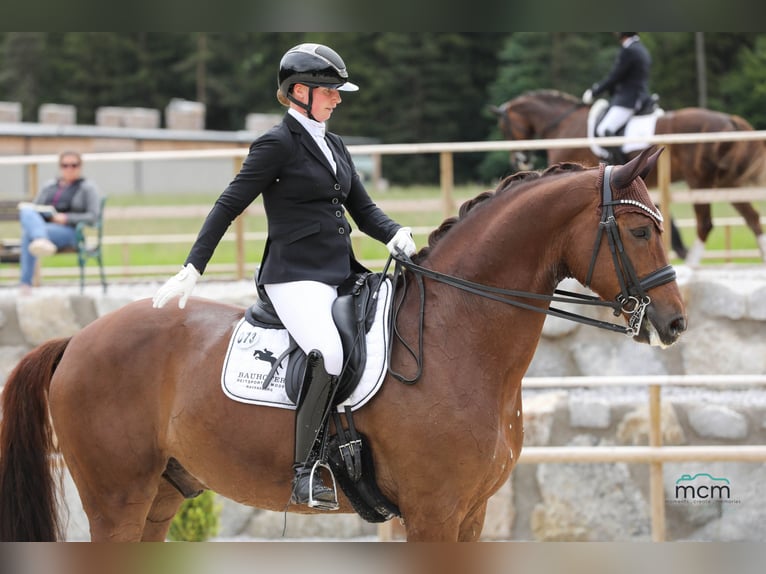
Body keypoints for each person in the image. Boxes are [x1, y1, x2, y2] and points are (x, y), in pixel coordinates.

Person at [152, 43, 416, 508]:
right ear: (300, 92)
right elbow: (229, 203)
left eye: (338, 91)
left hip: (338, 272)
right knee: (328, 351)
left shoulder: (333, 143)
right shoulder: (277, 144)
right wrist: (194, 266)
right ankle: (305, 469)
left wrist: (394, 234)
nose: (338, 99)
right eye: (330, 91)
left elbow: (361, 210)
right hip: (294, 276)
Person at [18, 151, 101, 293]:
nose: (69, 169)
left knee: (28, 235)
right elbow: (35, 207)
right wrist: (46, 214)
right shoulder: (49, 186)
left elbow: (93, 217)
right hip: (46, 225)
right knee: (26, 210)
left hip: (71, 231)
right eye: (65, 165)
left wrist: (66, 218)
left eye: (73, 165)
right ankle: (41, 239)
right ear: (60, 167)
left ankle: (25, 285)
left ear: (80, 166)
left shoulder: (87, 188)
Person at [582, 32, 652, 164]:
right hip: (638, 96)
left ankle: (620, 169)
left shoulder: (629, 51)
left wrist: (594, 92)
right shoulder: (641, 48)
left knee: (604, 130)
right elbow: (625, 78)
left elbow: (615, 77)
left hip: (628, 101)